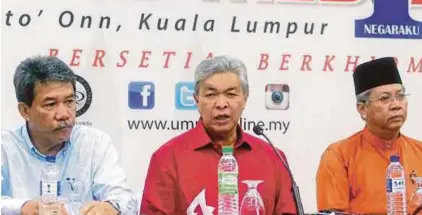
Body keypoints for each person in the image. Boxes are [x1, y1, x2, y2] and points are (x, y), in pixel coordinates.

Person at [140, 55, 296, 215]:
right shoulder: (167, 159)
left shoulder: (274, 158)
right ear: (196, 100)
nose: (221, 104)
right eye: (211, 95)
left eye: (231, 94)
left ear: (245, 98)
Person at [1, 55, 137, 215]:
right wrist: (22, 208)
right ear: (25, 111)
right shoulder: (5, 147)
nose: (64, 114)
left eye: (69, 101)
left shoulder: (94, 143)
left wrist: (111, 208)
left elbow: (125, 200)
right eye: (50, 104)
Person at [316, 57, 422, 215]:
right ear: (362, 109)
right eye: (385, 98)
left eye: (401, 96)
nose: (396, 105)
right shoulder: (339, 156)